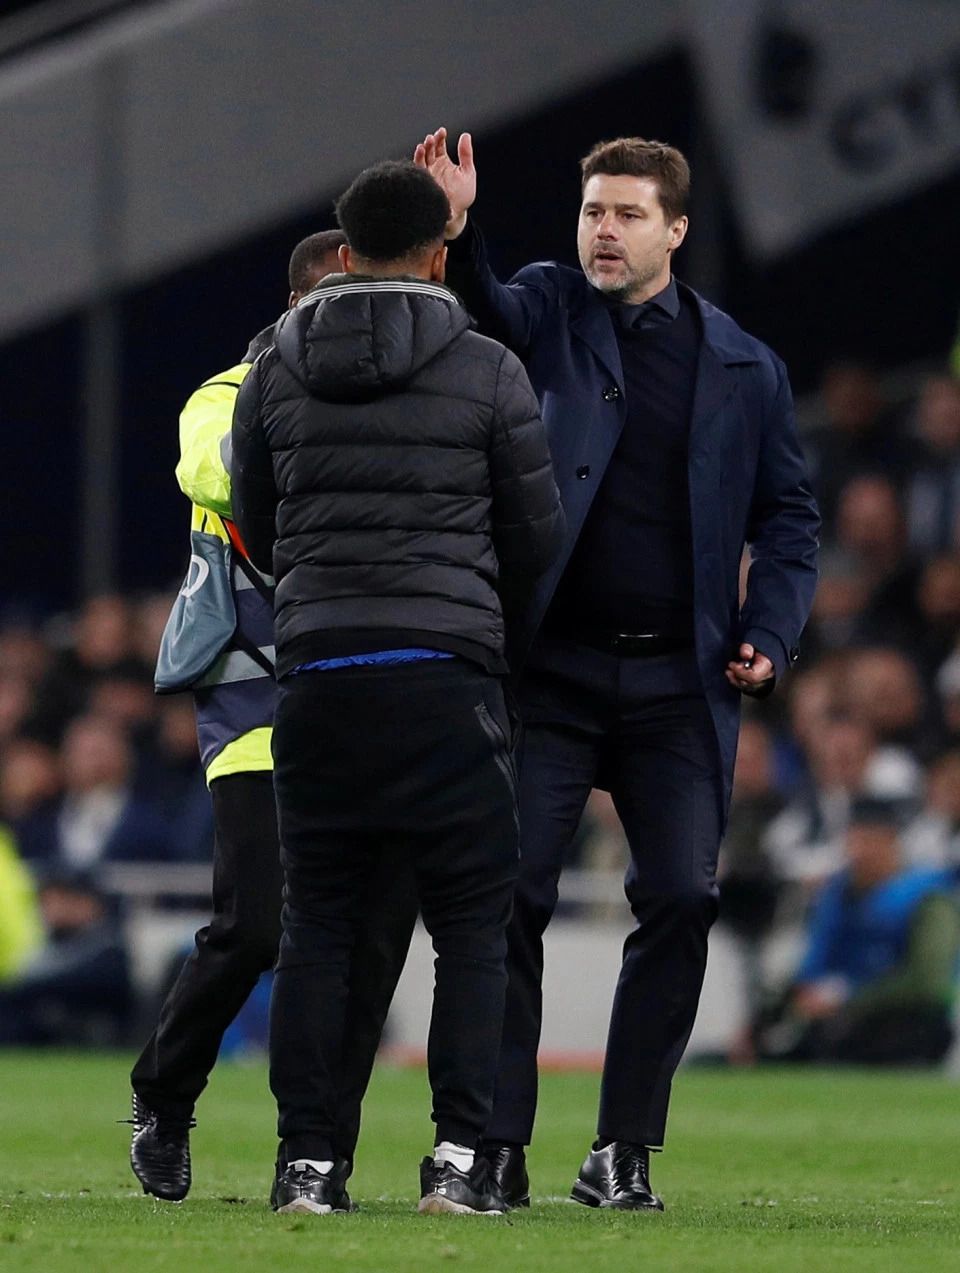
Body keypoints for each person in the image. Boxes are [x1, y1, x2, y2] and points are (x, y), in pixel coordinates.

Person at [415, 127, 820, 1209]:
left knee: (684, 895)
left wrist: (772, 631)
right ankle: (496, 1146)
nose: (605, 229)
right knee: (509, 897)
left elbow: (790, 518)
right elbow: (486, 312)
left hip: (679, 685)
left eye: (629, 213)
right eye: (595, 209)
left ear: (676, 231)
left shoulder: (743, 365)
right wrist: (458, 232)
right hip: (549, 674)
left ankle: (621, 1148)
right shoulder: (550, 308)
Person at [231, 160, 562, 1217]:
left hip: (321, 669)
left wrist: (319, 600)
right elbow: (535, 532)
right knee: (471, 924)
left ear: (342, 250)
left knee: (318, 922)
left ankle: (308, 1165)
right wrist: (474, 615)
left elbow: (256, 521)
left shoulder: (273, 366)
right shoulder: (488, 368)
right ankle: (460, 1161)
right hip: (446, 672)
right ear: (438, 255)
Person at [128, 231, 420, 1204]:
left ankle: (317, 1150)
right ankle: (164, 1095)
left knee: (367, 927)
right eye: (338, 303)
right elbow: (219, 474)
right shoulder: (223, 395)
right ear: (299, 306)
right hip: (254, 682)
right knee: (256, 924)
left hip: (361, 678)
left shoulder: (398, 402)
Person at [754, 797, 959, 1065]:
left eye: (870, 841)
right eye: (854, 841)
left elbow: (928, 982)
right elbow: (812, 967)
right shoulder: (837, 895)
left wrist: (849, 999)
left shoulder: (927, 897)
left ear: (892, 843)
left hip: (906, 1025)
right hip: (835, 1022)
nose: (860, 852)